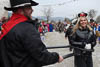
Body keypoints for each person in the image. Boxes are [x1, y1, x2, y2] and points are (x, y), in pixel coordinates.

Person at [0, 0, 64, 67]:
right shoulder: (26, 28)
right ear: (20, 10)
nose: (32, 10)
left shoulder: (7, 26)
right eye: (29, 7)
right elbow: (40, 55)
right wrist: (56, 57)